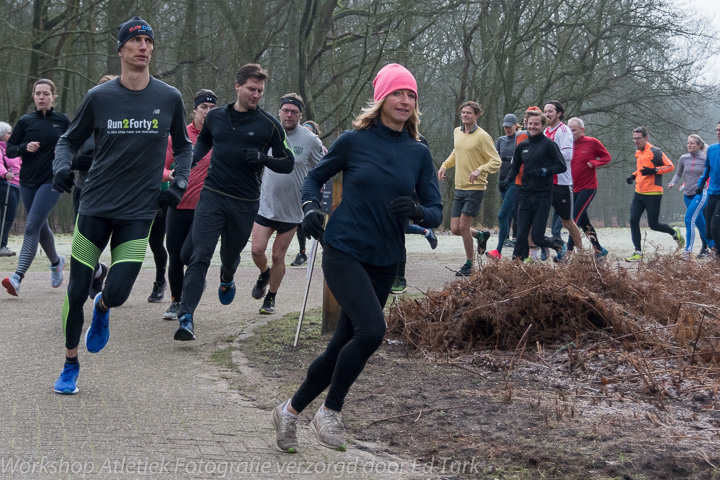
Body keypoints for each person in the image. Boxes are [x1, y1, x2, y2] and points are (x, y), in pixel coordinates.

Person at [271, 63, 442, 453]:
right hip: (344, 248)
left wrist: (417, 212)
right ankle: (330, 412)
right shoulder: (353, 141)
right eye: (398, 93)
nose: (405, 100)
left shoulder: (418, 152)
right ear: (382, 98)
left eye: (411, 95)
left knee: (340, 347)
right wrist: (311, 207)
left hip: (385, 258)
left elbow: (435, 210)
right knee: (372, 331)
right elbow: (315, 177)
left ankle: (289, 411)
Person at [50, 17, 193, 394]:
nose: (143, 46)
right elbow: (67, 140)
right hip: (94, 205)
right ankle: (70, 364)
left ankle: (103, 309)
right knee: (75, 290)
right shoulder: (100, 98)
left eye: (148, 40)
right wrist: (61, 167)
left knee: (116, 293)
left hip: (139, 211)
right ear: (121, 50)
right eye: (136, 41)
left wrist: (179, 184)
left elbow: (184, 146)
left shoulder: (169, 97)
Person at [173, 63, 294, 341]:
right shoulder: (215, 117)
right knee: (199, 255)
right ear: (238, 86)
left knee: (229, 256)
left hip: (245, 203)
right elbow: (202, 144)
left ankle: (227, 276)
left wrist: (263, 159)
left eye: (260, 91)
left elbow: (288, 163)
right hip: (212, 195)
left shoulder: (269, 125)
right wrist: (187, 164)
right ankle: (187, 317)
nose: (256, 95)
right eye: (251, 89)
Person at [250, 93, 323, 313]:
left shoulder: (310, 140)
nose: (289, 115)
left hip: (292, 210)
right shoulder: (269, 132)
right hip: (266, 205)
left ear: (300, 115)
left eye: (294, 112)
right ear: (280, 111)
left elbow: (323, 169)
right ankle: (264, 274)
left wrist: (316, 199)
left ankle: (271, 297)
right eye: (285, 111)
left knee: (277, 256)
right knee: (256, 251)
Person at [2, 79, 70, 296]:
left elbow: (74, 146)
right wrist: (24, 147)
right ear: (33, 96)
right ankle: (56, 262)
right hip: (27, 181)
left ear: (53, 96)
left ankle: (17, 277)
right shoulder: (25, 121)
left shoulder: (63, 121)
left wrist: (64, 155)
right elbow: (10, 150)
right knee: (41, 227)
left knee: (31, 227)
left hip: (52, 181)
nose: (41, 97)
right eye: (38, 93)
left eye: (45, 94)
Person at [161, 89, 218, 320]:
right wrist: (170, 175)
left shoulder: (220, 137)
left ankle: (195, 282)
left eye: (212, 109)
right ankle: (176, 301)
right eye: (203, 107)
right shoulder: (178, 136)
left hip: (206, 209)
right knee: (174, 256)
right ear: (194, 109)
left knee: (189, 255)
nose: (207, 112)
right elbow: (160, 167)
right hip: (178, 204)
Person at [437, 101, 500, 276]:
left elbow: (496, 161)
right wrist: (444, 166)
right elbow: (456, 152)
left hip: (476, 187)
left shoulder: (482, 136)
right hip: (459, 186)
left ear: (476, 115)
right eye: (463, 112)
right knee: (456, 228)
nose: (465, 115)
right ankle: (481, 235)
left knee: (464, 226)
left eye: (469, 113)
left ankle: (469, 264)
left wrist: (480, 170)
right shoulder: (457, 132)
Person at [69, 74, 117, 299]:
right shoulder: (84, 122)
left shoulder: (123, 124)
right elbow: (67, 149)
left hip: (112, 193)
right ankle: (98, 270)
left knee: (95, 244)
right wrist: (75, 162)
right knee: (81, 244)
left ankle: (106, 278)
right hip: (82, 189)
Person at [501, 108, 566, 261]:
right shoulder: (522, 145)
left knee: (537, 237)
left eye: (536, 124)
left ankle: (558, 245)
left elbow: (561, 166)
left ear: (543, 125)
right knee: (521, 234)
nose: (532, 127)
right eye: (530, 124)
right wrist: (506, 181)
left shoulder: (549, 145)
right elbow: (515, 167)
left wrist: (544, 171)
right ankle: (516, 266)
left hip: (543, 195)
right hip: (525, 194)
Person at [625, 126, 683, 261]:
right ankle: (638, 252)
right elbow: (641, 169)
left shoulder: (655, 151)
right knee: (633, 220)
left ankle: (674, 232)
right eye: (634, 138)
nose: (636, 141)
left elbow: (670, 166)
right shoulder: (638, 152)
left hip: (653, 193)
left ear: (646, 137)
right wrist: (633, 176)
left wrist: (654, 170)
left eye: (638, 138)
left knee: (654, 225)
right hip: (639, 192)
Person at [566, 117, 611, 257]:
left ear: (582, 130)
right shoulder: (566, 144)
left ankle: (567, 253)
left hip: (588, 187)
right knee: (584, 222)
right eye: (569, 130)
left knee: (573, 220)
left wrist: (595, 163)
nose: (571, 133)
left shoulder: (592, 143)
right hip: (573, 188)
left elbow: (607, 157)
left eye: (574, 130)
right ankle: (599, 250)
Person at [543, 101, 582, 260]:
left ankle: (582, 253)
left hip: (562, 183)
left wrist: (545, 159)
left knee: (567, 222)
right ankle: (545, 248)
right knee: (536, 218)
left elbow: (567, 156)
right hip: (545, 183)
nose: (547, 114)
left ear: (559, 113)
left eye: (550, 111)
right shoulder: (545, 131)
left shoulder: (564, 130)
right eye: (545, 111)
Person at [290, 120, 327, 267]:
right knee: (300, 222)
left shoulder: (321, 148)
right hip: (301, 190)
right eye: (304, 129)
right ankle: (302, 253)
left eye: (310, 130)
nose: (306, 132)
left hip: (317, 191)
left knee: (314, 220)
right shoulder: (296, 146)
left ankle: (325, 245)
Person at [668, 134, 712, 258]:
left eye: (692, 143)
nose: (689, 145)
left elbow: (712, 174)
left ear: (699, 145)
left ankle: (688, 251)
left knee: (688, 219)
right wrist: (673, 182)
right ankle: (714, 247)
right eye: (688, 143)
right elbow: (678, 173)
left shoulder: (705, 159)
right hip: (687, 195)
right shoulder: (683, 158)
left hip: (701, 194)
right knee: (700, 223)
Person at [486, 113, 519, 260]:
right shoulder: (501, 140)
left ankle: (499, 250)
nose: (507, 129)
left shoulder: (520, 139)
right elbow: (495, 157)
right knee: (512, 214)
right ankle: (515, 243)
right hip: (502, 180)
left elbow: (519, 160)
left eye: (509, 126)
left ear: (515, 125)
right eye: (505, 126)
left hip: (515, 181)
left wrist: (507, 159)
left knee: (503, 214)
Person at [697, 122, 720, 256]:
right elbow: (707, 169)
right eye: (717, 130)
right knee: (708, 232)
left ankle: (718, 255)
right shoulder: (712, 149)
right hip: (712, 192)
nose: (718, 132)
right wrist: (700, 184)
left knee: (715, 225)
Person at [0, 122, 21, 257]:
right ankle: (1, 246)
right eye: (9, 133)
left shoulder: (10, 148)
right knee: (7, 216)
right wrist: (5, 173)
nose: (11, 135)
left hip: (16, 185)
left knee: (8, 216)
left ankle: (3, 244)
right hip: (5, 185)